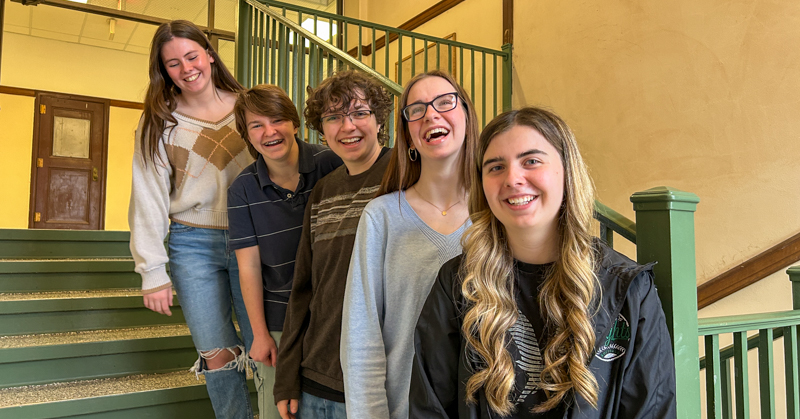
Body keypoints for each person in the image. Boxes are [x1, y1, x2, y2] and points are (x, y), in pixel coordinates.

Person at [409, 107, 677, 418]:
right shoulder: (457, 283)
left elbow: (651, 410)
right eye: (495, 167)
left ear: (566, 171)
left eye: (531, 161)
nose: (512, 178)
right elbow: (430, 408)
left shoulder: (627, 288)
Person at [128, 20, 255, 419]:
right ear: (163, 71)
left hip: (254, 241)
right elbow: (147, 196)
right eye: (172, 64)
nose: (186, 69)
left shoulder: (250, 107)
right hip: (192, 245)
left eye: (191, 56)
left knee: (265, 346)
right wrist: (153, 271)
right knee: (217, 354)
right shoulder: (158, 122)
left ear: (210, 55)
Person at [340, 70, 478, 419]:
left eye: (445, 102)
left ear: (466, 116)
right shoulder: (382, 217)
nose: (431, 114)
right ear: (409, 137)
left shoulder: (498, 214)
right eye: (416, 109)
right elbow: (361, 337)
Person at [273, 70, 394, 419]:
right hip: (316, 381)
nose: (347, 127)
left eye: (359, 113)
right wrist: (287, 378)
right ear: (321, 129)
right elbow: (303, 289)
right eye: (334, 117)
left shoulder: (405, 175)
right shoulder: (323, 190)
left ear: (378, 119)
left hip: (377, 384)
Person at [227, 84, 343, 419]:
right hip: (279, 317)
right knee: (281, 410)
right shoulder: (242, 190)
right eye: (256, 125)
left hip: (332, 314)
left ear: (294, 123)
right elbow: (248, 268)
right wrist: (259, 334)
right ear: (247, 136)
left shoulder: (330, 163)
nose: (269, 132)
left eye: (277, 120)